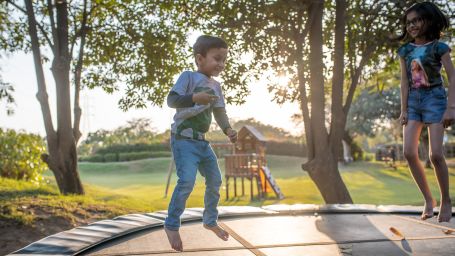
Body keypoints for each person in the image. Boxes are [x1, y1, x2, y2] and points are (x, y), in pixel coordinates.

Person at [164, 35, 238, 251]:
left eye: (224, 60)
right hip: (183, 139)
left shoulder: (216, 86)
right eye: (217, 59)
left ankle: (210, 220)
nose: (221, 64)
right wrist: (195, 98)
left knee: (215, 180)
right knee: (186, 181)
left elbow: (220, 112)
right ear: (199, 58)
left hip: (202, 143)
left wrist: (228, 129)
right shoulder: (188, 77)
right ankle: (171, 224)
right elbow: (172, 100)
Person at [397, 2, 454, 222]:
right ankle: (428, 200)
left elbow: (452, 76)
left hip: (436, 99)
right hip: (413, 102)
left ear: (428, 21)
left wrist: (451, 107)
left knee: (436, 155)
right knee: (409, 153)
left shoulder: (439, 47)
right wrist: (403, 110)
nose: (411, 25)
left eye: (416, 21)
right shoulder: (405, 51)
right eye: (408, 22)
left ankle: (446, 200)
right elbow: (404, 82)